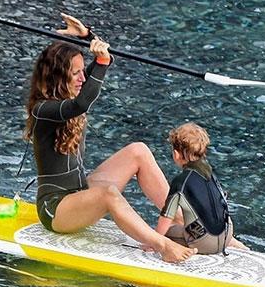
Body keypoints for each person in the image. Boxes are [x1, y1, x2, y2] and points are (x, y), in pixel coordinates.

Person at [24, 14, 195, 263]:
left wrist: (88, 37)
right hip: (56, 209)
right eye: (76, 74)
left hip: (80, 192)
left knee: (138, 150)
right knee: (108, 194)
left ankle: (183, 223)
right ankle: (163, 246)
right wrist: (101, 61)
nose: (83, 79)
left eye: (83, 72)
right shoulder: (43, 110)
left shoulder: (74, 91)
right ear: (58, 78)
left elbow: (101, 65)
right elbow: (82, 103)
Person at [153, 122, 247, 255]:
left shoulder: (181, 181)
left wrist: (154, 242)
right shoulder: (210, 172)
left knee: (166, 233)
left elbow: (167, 216)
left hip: (206, 243)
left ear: (176, 154)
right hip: (227, 234)